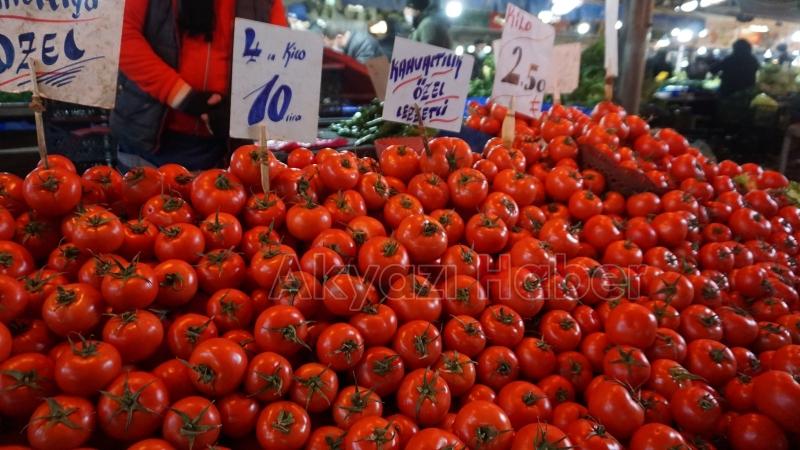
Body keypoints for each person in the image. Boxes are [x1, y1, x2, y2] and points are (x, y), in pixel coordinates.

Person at [111, 0, 288, 171]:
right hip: (149, 141)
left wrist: (241, 111)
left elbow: (279, 55)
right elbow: (122, 33)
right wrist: (181, 95)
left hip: (224, 148)